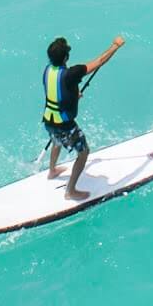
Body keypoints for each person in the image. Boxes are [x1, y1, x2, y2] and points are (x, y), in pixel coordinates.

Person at [41, 33, 124, 196]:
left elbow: (58, 90)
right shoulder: (72, 73)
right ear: (66, 57)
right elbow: (100, 61)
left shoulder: (48, 70)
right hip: (65, 125)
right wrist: (116, 46)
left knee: (56, 141)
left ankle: (52, 171)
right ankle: (70, 191)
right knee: (84, 153)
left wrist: (73, 94)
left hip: (49, 120)